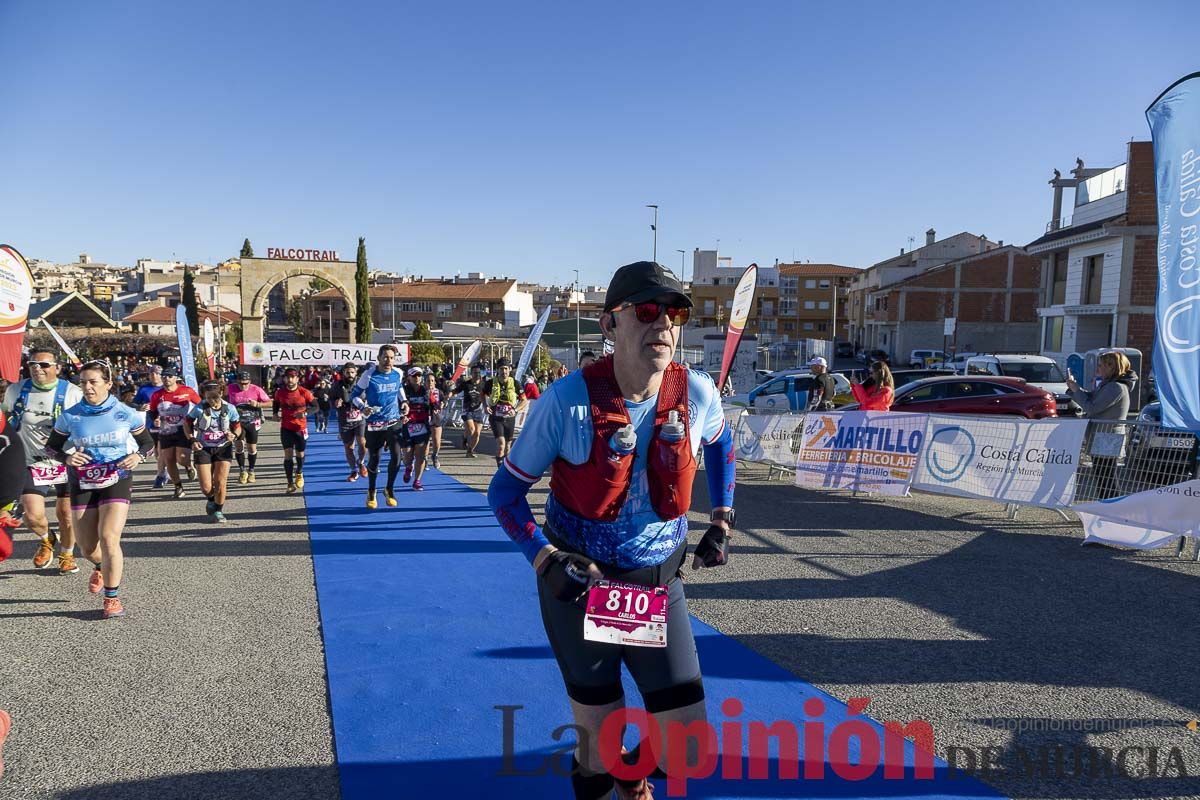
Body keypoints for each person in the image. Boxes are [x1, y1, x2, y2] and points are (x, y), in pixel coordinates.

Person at [487, 261, 736, 798]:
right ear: (609, 325)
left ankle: (631, 767)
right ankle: (615, 772)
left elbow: (720, 446)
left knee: (687, 752)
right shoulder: (565, 401)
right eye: (646, 311)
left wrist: (722, 519)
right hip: (583, 589)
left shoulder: (696, 392)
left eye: (675, 313)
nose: (664, 324)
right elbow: (503, 493)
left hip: (655, 586)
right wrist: (544, 558)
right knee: (598, 749)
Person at [46, 360, 155, 619]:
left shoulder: (124, 413)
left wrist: (138, 457)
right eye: (83, 382)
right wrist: (67, 458)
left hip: (117, 477)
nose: (87, 387)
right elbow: (51, 447)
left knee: (109, 537)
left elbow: (147, 442)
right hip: (82, 481)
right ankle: (98, 565)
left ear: (108, 383)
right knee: (86, 547)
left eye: (93, 381)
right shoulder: (70, 415)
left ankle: (112, 597)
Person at [2, 350, 83, 574]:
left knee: (66, 514)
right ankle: (47, 539)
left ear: (57, 367)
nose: (38, 368)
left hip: (66, 461)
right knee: (33, 515)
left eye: (44, 364)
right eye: (33, 364)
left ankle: (67, 553)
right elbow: (4, 421)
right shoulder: (16, 390)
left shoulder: (73, 393)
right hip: (31, 461)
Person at [1068, 351, 1137, 500]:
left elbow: (1092, 407)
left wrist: (1076, 391)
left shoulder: (1115, 387)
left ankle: (1112, 509)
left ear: (1111, 367)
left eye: (1101, 365)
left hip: (1107, 438)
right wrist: (1076, 389)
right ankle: (1108, 507)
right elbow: (1093, 398)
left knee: (1106, 478)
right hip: (1104, 437)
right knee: (1103, 477)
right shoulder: (1109, 385)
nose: (1098, 369)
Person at [352, 345, 409, 509]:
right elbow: (354, 395)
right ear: (378, 358)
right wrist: (363, 407)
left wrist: (404, 402)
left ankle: (389, 489)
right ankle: (371, 490)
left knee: (397, 458)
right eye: (385, 357)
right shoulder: (369, 375)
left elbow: (399, 388)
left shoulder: (398, 373)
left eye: (391, 357)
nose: (388, 360)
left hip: (393, 421)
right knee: (375, 459)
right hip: (375, 423)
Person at [184, 381, 241, 522]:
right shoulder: (199, 408)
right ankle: (210, 498)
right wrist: (192, 440)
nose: (211, 401)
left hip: (223, 447)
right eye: (208, 398)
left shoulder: (230, 408)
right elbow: (187, 423)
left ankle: (219, 510)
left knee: (221, 482)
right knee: (206, 487)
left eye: (214, 398)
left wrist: (234, 435)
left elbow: (238, 427)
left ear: (221, 394)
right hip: (203, 448)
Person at [149, 368, 201, 498]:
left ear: (175, 378)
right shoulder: (157, 395)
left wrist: (196, 419)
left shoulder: (186, 391)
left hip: (183, 429)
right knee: (168, 460)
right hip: (166, 430)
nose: (166, 379)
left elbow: (200, 405)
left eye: (169, 376)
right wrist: (155, 419)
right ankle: (178, 487)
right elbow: (153, 412)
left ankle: (188, 466)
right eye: (164, 376)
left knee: (181, 459)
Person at [272, 368, 314, 495]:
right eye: (288, 377)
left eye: (292, 377)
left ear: (297, 379)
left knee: (300, 454)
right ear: (284, 378)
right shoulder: (280, 392)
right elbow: (276, 403)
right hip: (286, 427)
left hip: (300, 428)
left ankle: (299, 472)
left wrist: (305, 413)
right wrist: (274, 413)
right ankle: (290, 483)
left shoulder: (304, 392)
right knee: (288, 454)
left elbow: (316, 407)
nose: (290, 380)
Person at [228, 371, 270, 484]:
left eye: (246, 383)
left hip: (252, 422)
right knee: (239, 447)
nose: (243, 386)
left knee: (251, 448)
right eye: (241, 383)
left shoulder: (256, 389)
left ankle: (251, 470)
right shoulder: (230, 388)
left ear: (250, 382)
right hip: (237, 422)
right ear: (237, 381)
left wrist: (258, 404)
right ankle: (242, 471)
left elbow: (270, 403)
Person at [485, 358, 525, 467]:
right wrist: (485, 406)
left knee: (508, 446)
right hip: (496, 418)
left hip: (509, 418)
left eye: (506, 368)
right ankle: (500, 468)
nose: (504, 371)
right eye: (501, 369)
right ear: (497, 370)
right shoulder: (490, 383)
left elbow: (524, 400)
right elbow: (482, 393)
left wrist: (515, 410)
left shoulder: (515, 383)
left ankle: (506, 468)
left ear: (510, 369)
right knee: (501, 444)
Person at [334, 363, 369, 482]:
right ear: (343, 373)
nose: (350, 375)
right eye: (347, 372)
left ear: (356, 373)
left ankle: (361, 462)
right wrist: (335, 403)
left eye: (352, 372)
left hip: (360, 418)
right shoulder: (337, 385)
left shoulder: (361, 383)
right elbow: (330, 399)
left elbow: (369, 396)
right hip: (345, 420)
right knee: (349, 448)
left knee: (363, 444)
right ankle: (354, 471)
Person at [401, 367, 433, 490]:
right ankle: (409, 467)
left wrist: (437, 405)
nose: (417, 378)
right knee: (408, 457)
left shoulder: (425, 390)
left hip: (422, 426)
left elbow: (432, 404)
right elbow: (398, 406)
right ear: (409, 377)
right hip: (407, 427)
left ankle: (417, 481)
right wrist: (402, 416)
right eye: (414, 376)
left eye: (419, 375)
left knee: (420, 456)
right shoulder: (403, 391)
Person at [454, 363, 486, 457]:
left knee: (477, 433)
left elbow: (490, 394)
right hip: (467, 410)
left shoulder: (483, 384)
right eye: (475, 373)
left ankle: (470, 451)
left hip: (478, 410)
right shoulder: (466, 384)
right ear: (471, 373)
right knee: (471, 430)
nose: (477, 375)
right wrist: (449, 395)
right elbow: (456, 391)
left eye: (479, 373)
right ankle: (465, 438)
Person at [424, 370, 445, 469]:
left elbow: (442, 401)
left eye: (432, 381)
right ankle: (425, 459)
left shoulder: (439, 392)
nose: (430, 383)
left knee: (436, 440)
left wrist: (441, 404)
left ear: (435, 382)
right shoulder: (421, 391)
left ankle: (435, 456)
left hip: (436, 418)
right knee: (426, 441)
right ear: (425, 382)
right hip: (425, 418)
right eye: (428, 381)